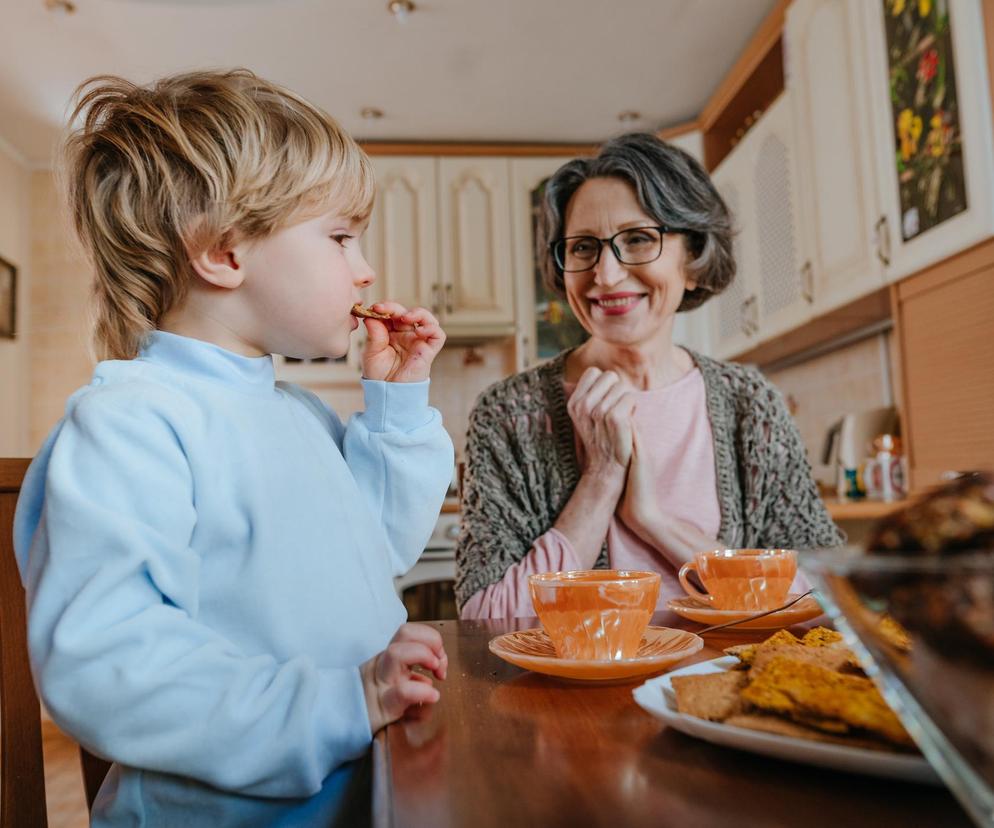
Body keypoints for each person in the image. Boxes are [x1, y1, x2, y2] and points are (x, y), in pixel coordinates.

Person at [13, 69, 454, 826]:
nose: (366, 268)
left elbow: (377, 546)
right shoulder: (132, 422)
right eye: (341, 237)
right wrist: (339, 701)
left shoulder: (298, 414)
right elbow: (106, 664)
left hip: (358, 793)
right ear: (223, 253)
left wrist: (395, 404)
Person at [455, 132, 842, 619]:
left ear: (694, 261)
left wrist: (652, 520)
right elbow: (485, 625)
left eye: (638, 239)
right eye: (582, 248)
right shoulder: (510, 414)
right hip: (574, 696)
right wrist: (600, 480)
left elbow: (823, 599)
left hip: (721, 687)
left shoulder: (750, 404)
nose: (607, 275)